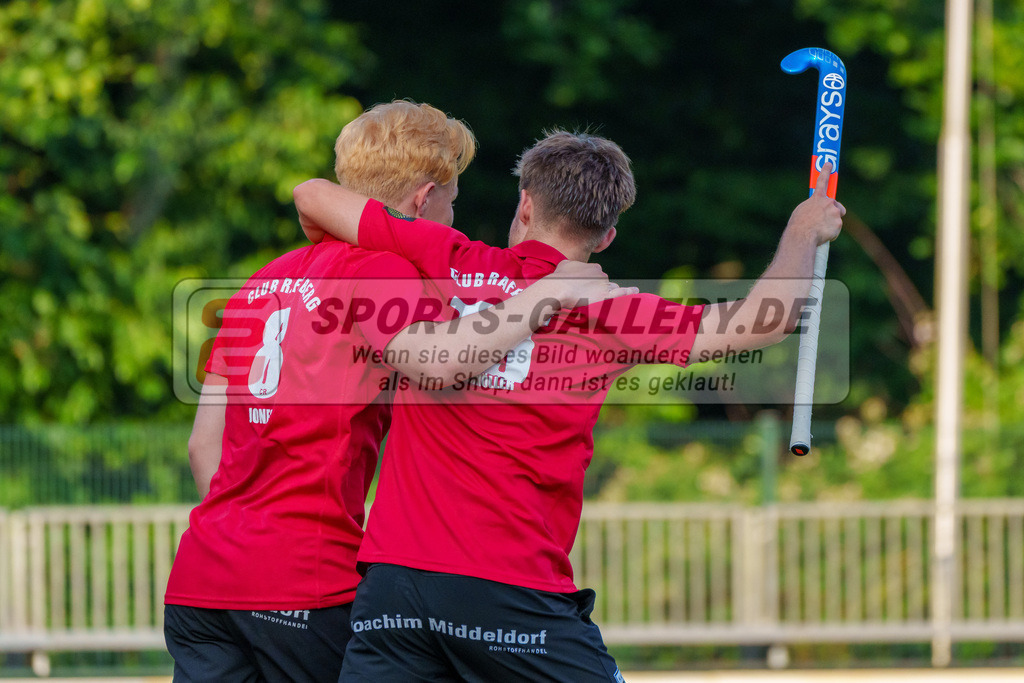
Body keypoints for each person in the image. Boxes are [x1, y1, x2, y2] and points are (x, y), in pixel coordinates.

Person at [294, 130, 845, 681]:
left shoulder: (449, 256)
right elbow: (763, 321)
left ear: (526, 204)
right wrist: (802, 230)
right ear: (607, 237)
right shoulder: (614, 310)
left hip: (393, 588)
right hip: (509, 587)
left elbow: (314, 194)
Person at [163, 105, 633, 683]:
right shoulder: (385, 273)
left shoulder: (258, 281)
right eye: (453, 203)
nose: (454, 219)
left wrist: (244, 546)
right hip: (307, 580)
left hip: (202, 579)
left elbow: (201, 447)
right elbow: (443, 361)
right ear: (423, 200)